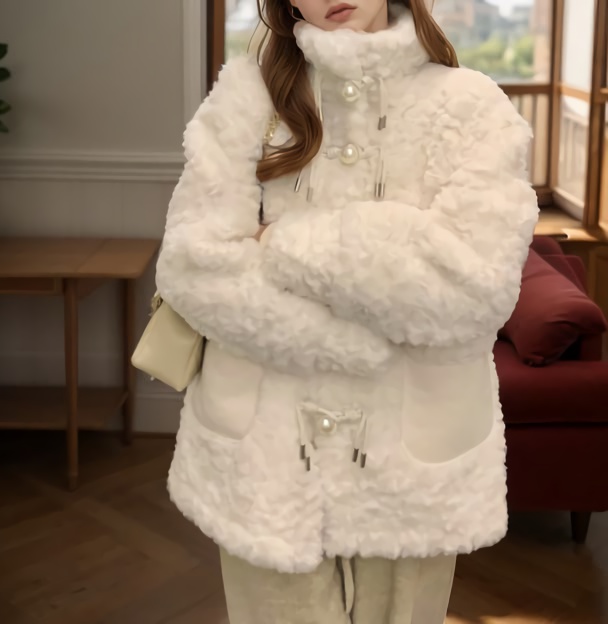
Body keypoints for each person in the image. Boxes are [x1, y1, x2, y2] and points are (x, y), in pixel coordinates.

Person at [155, 0, 539, 622]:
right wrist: (362, 332)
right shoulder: (246, 99)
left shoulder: (472, 107)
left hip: (411, 465)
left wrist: (281, 242)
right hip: (264, 460)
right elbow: (194, 268)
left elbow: (473, 290)